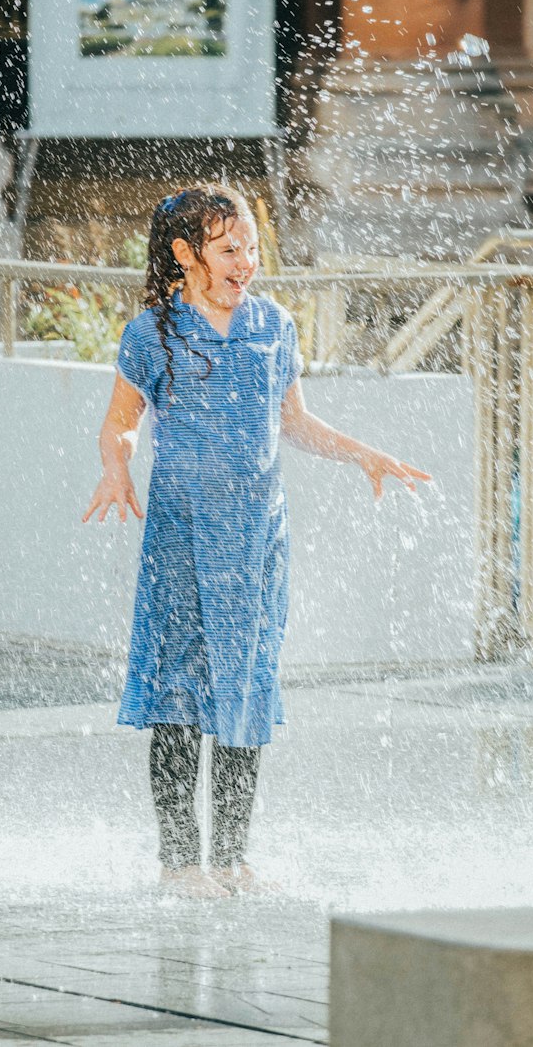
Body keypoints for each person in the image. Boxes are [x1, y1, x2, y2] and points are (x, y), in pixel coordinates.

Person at [83, 185, 430, 898]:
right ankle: (180, 862)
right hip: (181, 536)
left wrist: (360, 452)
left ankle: (234, 858)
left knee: (244, 689)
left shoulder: (273, 324)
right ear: (185, 255)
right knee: (179, 695)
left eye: (253, 248)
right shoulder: (154, 332)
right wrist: (117, 468)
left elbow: (293, 422)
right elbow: (121, 420)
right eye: (230, 249)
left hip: (255, 541)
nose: (247, 262)